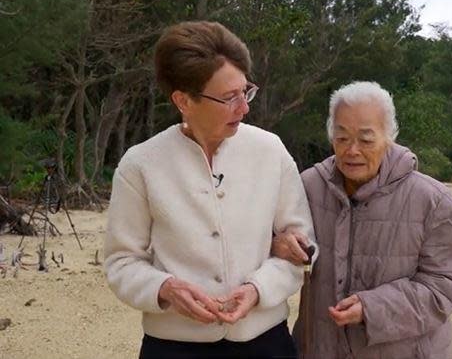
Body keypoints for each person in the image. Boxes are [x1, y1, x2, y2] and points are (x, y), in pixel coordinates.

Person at [104, 21, 315, 359]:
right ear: (183, 100)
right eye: (229, 97)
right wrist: (165, 289)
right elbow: (121, 261)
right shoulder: (140, 164)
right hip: (172, 348)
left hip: (266, 344)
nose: (244, 108)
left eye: (245, 91)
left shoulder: (270, 151)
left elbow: (301, 249)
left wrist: (257, 290)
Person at [272, 81, 452, 359]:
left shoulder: (433, 200)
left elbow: (444, 287)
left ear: (389, 137)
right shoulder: (307, 186)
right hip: (320, 348)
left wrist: (371, 308)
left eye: (365, 140)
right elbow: (269, 239)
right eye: (342, 138)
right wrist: (277, 244)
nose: (352, 150)